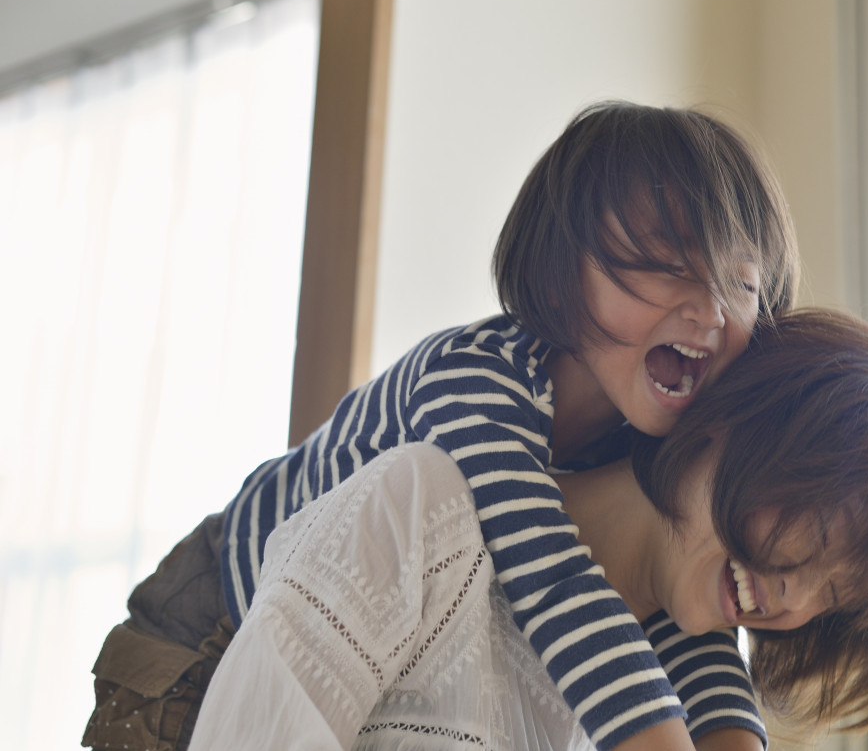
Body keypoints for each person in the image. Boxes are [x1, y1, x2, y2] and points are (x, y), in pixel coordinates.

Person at [84, 101, 799, 751]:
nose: (710, 310)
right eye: (670, 265)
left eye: (741, 282)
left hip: (354, 654)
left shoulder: (648, 436)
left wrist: (734, 733)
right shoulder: (476, 382)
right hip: (209, 618)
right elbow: (549, 573)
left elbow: (684, 606)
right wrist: (654, 735)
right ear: (558, 279)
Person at [188, 308, 868, 750]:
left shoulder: (688, 692)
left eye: (834, 596)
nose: (793, 592)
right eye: (819, 528)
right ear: (739, 419)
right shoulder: (425, 502)